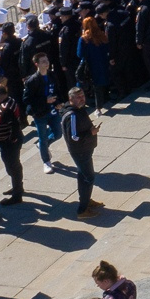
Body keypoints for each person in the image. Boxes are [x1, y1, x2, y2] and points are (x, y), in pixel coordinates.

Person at [62, 86, 101, 218]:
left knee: (82, 175)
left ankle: (85, 199)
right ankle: (82, 210)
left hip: (85, 149)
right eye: (78, 97)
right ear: (71, 99)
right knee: (88, 177)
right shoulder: (72, 115)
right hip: (80, 151)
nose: (82, 99)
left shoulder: (79, 110)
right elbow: (74, 137)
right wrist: (91, 133)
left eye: (83, 96)